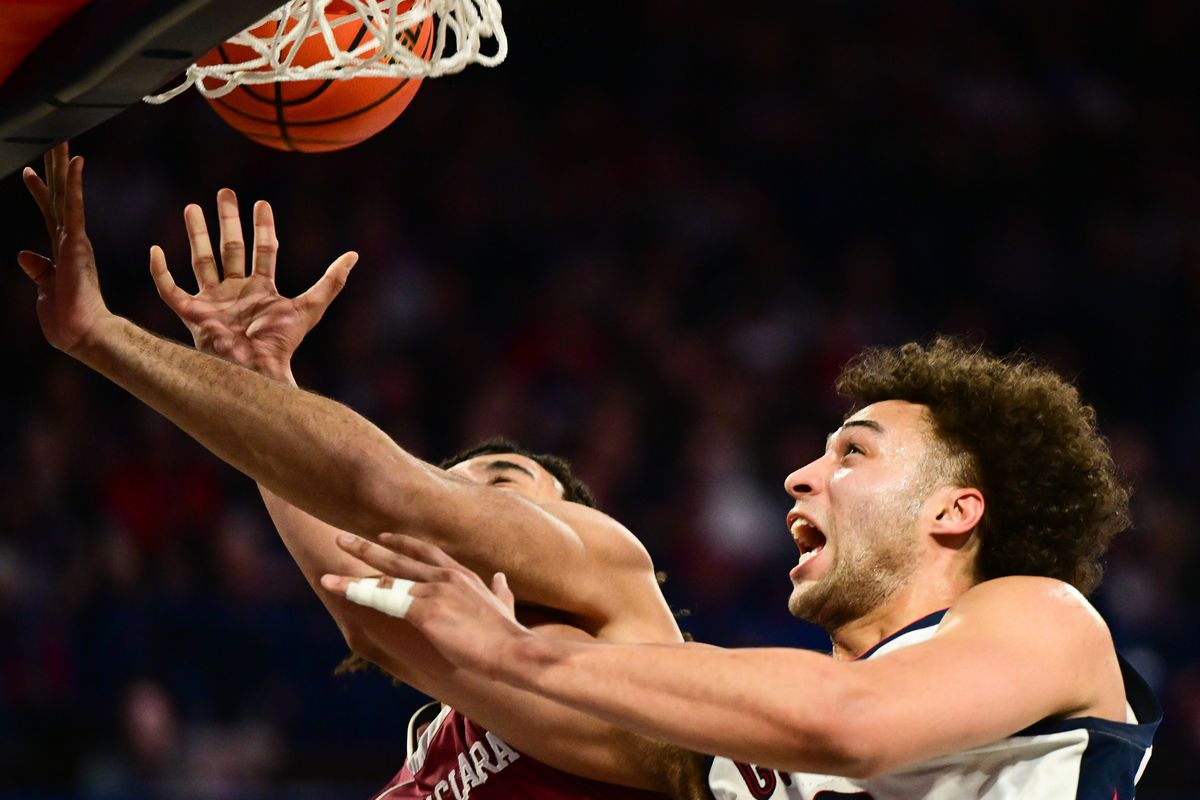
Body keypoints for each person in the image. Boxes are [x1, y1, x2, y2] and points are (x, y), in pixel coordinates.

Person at [17, 144, 706, 800]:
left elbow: (380, 490)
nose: (466, 493)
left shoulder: (606, 569)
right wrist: (262, 382)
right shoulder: (467, 696)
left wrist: (103, 337)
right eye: (455, 480)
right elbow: (357, 603)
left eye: (500, 478)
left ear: (569, 507)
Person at [322, 339, 1162, 799]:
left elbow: (851, 724)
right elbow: (371, 614)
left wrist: (520, 654)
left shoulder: (1048, 618)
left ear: (955, 509)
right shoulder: (743, 763)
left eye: (853, 452)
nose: (799, 475)